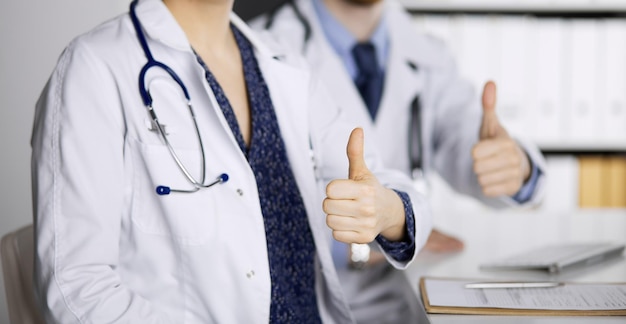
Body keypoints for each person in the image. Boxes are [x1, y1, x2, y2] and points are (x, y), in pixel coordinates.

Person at [30, 0, 433, 322]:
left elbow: (384, 180)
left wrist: (387, 211)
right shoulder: (96, 67)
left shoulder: (283, 66)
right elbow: (77, 286)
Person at [252, 0, 547, 322]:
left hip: (407, 301)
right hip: (310, 306)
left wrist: (515, 167)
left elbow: (466, 140)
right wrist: (370, 238)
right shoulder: (262, 52)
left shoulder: (427, 53)